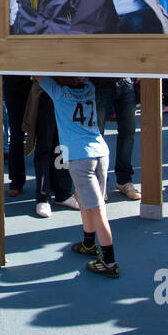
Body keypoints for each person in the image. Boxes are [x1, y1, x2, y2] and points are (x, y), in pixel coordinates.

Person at [38, 76, 119, 277]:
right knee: (87, 201)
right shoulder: (90, 88)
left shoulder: (57, 93)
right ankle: (89, 243)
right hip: (100, 151)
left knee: (97, 208)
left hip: (80, 156)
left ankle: (109, 261)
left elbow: (37, 74)